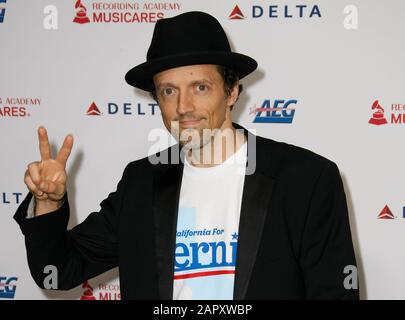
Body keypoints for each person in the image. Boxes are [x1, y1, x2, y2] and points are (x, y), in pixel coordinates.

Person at [14, 11, 359, 300]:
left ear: (232, 91)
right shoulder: (141, 182)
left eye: (200, 87)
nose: (183, 107)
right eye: (168, 91)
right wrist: (48, 203)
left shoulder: (305, 179)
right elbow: (57, 273)